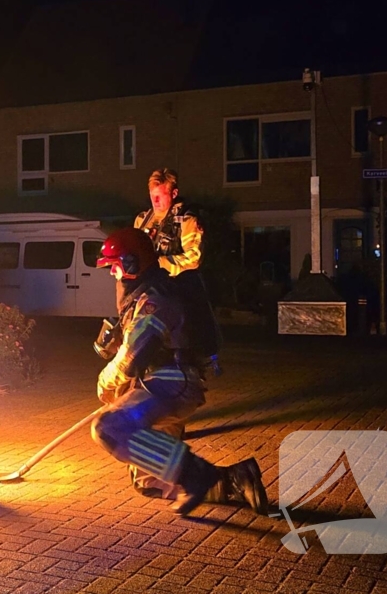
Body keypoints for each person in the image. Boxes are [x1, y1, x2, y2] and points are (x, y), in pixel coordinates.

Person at [90, 227, 267, 515]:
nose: (113, 274)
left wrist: (105, 382)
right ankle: (235, 479)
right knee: (149, 480)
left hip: (169, 383)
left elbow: (132, 357)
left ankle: (196, 474)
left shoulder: (155, 300)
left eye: (115, 266)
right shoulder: (144, 296)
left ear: (132, 263)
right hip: (158, 385)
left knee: (108, 427)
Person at [134, 168, 203, 276]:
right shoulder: (141, 220)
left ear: (174, 193)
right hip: (145, 288)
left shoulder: (186, 220)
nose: (155, 201)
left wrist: (158, 263)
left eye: (160, 196)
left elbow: (193, 258)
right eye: (152, 195)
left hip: (174, 288)